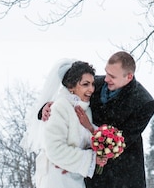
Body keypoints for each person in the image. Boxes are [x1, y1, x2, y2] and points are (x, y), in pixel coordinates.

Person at [41, 51, 154, 188]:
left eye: (112, 76)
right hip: (89, 173)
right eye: (106, 72)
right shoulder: (94, 84)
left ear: (129, 77)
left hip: (122, 172)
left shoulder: (144, 103)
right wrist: (46, 107)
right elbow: (70, 93)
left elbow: (120, 142)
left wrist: (83, 157)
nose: (106, 79)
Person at [22, 59, 107, 188]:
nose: (91, 89)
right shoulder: (60, 107)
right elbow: (54, 149)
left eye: (92, 84)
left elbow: (86, 140)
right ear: (71, 86)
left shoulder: (86, 109)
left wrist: (100, 150)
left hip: (75, 178)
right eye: (85, 84)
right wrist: (91, 159)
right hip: (56, 178)